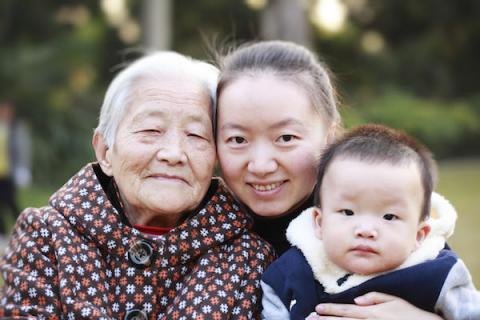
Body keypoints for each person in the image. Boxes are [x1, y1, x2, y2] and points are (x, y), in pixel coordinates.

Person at [0, 51, 275, 319]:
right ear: (106, 151)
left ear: (215, 157)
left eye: (196, 134)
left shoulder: (248, 258)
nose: (174, 153)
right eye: (151, 130)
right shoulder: (46, 238)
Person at [216, 40, 448, 319]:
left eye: (286, 138)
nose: (261, 165)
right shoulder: (198, 235)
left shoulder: (384, 222)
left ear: (329, 137)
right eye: (238, 139)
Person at [260, 124, 480, 319]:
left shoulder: (436, 274)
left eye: (389, 217)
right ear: (319, 222)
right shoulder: (289, 275)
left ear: (418, 235)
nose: (365, 230)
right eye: (347, 212)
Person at [0, 101, 31, 237]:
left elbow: (23, 150)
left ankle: (24, 230)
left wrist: (23, 168)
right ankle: (1, 233)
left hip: (8, 172)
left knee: (10, 202)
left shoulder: (16, 128)